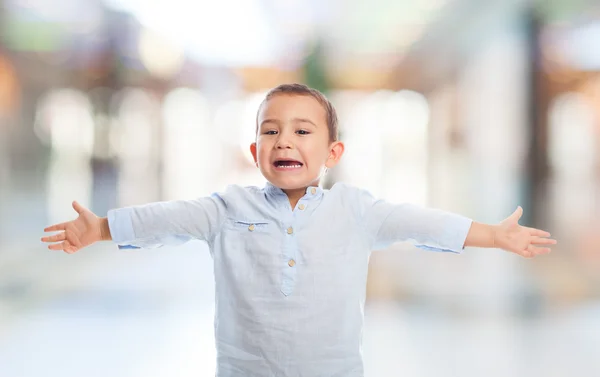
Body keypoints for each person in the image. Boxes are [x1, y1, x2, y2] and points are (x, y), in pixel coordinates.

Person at [41, 83, 556, 376]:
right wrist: (104, 227)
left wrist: (492, 234)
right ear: (255, 152)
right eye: (270, 131)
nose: (284, 139)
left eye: (302, 131)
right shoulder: (228, 206)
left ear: (332, 154)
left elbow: (420, 223)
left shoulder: (356, 209)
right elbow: (168, 219)